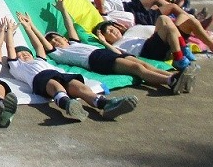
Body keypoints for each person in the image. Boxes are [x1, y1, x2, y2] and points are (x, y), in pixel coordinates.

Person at [42, 0, 194, 95]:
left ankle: (174, 77)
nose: (55, 42)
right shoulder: (59, 53)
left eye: (56, 38)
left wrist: (62, 10)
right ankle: (171, 81)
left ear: (64, 38)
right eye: (52, 42)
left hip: (106, 52)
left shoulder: (74, 42)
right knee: (137, 69)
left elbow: (70, 27)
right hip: (96, 59)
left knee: (143, 64)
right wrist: (30, 27)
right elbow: (43, 43)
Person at [9, 12, 137, 121]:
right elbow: (10, 48)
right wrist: (9, 33)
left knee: (80, 87)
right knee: (54, 85)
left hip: (59, 73)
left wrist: (28, 27)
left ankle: (105, 104)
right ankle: (68, 104)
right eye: (20, 54)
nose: (24, 55)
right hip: (40, 77)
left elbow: (38, 46)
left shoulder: (40, 59)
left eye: (26, 52)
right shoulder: (16, 66)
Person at [93, 17, 196, 72]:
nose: (113, 31)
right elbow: (117, 53)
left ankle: (183, 49)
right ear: (108, 39)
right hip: (146, 51)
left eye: (112, 29)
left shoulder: (128, 34)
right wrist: (104, 42)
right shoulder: (116, 45)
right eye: (109, 33)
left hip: (150, 43)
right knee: (169, 28)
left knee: (163, 18)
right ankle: (179, 59)